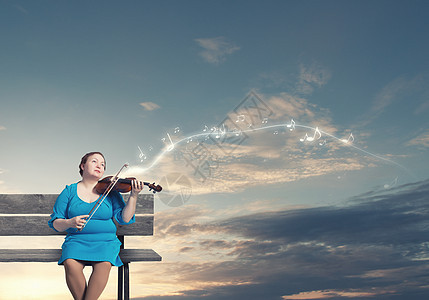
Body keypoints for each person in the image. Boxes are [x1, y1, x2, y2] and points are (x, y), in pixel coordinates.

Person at [48, 152, 143, 300]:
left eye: (103, 164)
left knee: (104, 263)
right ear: (82, 165)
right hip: (77, 241)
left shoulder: (111, 191)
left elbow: (124, 218)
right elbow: (55, 223)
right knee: (70, 262)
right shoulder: (69, 191)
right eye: (94, 161)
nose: (100, 165)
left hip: (105, 242)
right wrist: (69, 222)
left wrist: (134, 196)